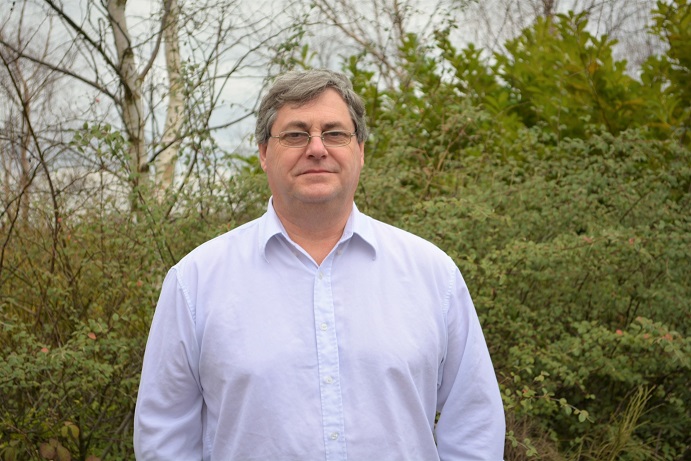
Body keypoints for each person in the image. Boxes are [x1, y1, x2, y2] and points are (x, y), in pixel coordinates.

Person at [133, 68, 505, 460]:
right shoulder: (195, 282)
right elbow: (165, 437)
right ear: (263, 152)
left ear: (360, 150)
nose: (316, 148)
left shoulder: (433, 275)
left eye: (334, 133)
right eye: (295, 134)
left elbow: (474, 424)